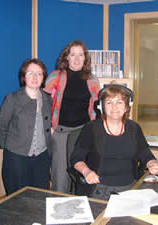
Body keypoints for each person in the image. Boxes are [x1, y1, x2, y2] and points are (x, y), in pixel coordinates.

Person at [70, 84, 158, 200]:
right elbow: (76, 158)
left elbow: (144, 152)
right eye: (109, 102)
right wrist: (87, 171)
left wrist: (152, 163)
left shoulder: (134, 128)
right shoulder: (92, 128)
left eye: (119, 102)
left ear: (127, 107)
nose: (114, 107)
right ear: (102, 107)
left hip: (131, 188)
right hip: (100, 189)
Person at [44, 40, 100, 193]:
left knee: (80, 171)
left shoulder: (93, 80)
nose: (76, 59)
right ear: (66, 57)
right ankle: (59, 208)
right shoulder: (56, 76)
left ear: (85, 58)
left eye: (80, 55)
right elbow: (43, 101)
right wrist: (48, 126)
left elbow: (97, 107)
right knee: (60, 175)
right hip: (60, 131)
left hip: (82, 131)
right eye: (73, 54)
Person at [0, 58, 52, 195]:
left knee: (40, 196)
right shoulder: (12, 99)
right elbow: (2, 125)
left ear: (43, 77)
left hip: (41, 157)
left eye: (39, 74)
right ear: (23, 76)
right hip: (17, 158)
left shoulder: (48, 99)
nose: (35, 77)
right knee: (18, 198)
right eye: (30, 73)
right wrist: (9, 146)